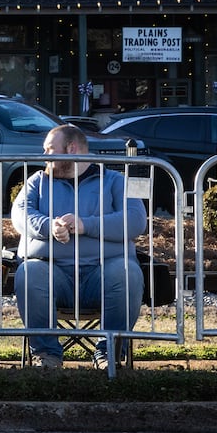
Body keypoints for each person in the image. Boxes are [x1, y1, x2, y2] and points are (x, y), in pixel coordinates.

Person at [11, 124, 147, 370]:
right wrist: (49, 226)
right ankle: (47, 355)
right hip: (53, 273)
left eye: (50, 150)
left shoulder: (115, 180)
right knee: (29, 273)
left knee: (128, 273)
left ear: (71, 149)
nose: (44, 157)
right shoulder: (36, 182)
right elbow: (20, 214)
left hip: (103, 274)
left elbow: (136, 219)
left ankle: (109, 353)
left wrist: (86, 225)